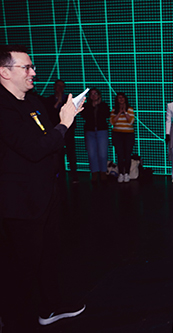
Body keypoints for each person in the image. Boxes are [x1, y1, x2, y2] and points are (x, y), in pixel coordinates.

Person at [0, 44, 85, 331]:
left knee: (49, 255)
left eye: (32, 66)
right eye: (26, 67)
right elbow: (35, 148)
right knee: (21, 267)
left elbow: (51, 140)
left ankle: (50, 307)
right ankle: (15, 321)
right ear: (4, 72)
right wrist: (64, 124)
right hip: (20, 203)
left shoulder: (34, 102)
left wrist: (64, 121)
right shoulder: (4, 108)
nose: (33, 72)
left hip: (46, 195)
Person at [43, 79, 78, 182]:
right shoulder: (49, 100)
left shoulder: (68, 100)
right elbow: (49, 114)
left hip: (68, 131)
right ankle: (60, 176)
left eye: (62, 86)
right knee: (58, 155)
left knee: (71, 153)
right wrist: (58, 102)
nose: (60, 88)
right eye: (58, 86)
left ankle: (74, 176)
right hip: (56, 131)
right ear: (54, 87)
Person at [80, 87, 110, 183]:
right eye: (91, 94)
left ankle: (103, 172)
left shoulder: (104, 105)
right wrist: (92, 107)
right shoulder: (86, 106)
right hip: (89, 131)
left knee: (102, 153)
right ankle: (94, 173)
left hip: (102, 130)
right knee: (91, 153)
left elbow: (106, 115)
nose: (93, 95)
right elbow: (84, 116)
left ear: (99, 95)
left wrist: (98, 106)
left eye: (95, 93)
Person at [110, 92, 135, 183]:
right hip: (117, 134)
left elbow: (131, 121)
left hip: (128, 134)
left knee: (127, 154)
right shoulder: (113, 110)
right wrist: (119, 112)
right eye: (119, 98)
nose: (121, 99)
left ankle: (127, 174)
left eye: (122, 97)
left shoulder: (130, 109)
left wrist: (125, 112)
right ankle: (121, 173)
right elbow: (112, 122)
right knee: (120, 154)